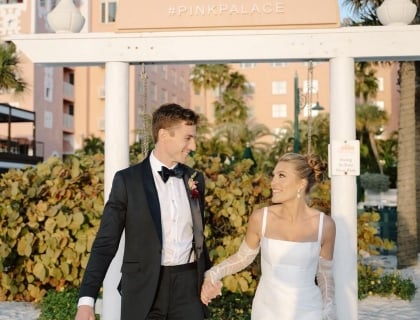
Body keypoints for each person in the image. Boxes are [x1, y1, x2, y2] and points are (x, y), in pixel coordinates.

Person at [75, 103, 213, 320]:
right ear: (164, 135)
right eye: (188, 138)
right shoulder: (127, 181)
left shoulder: (195, 179)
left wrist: (208, 276)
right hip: (143, 291)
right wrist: (86, 300)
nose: (193, 146)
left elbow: (199, 237)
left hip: (188, 290)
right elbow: (105, 243)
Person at [201, 153, 336, 320]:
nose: (273, 183)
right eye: (273, 176)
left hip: (309, 311)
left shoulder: (325, 225)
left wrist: (329, 311)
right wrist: (213, 274)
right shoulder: (260, 219)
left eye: (281, 176)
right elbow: (242, 258)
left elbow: (324, 275)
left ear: (301, 184)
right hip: (267, 311)